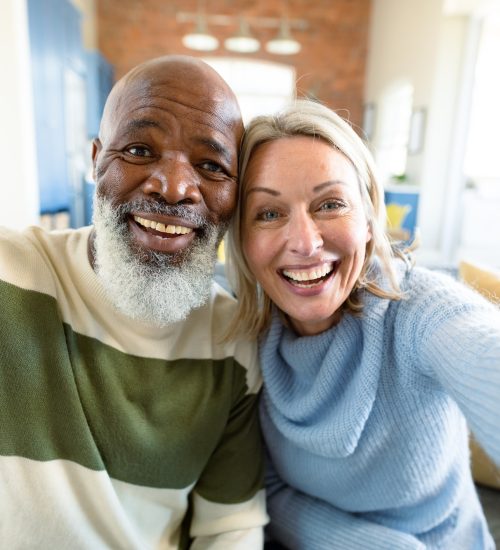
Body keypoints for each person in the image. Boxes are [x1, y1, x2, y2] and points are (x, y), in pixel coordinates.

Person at [0, 55, 268, 548]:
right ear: (97, 159)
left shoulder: (233, 342)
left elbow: (231, 528)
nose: (174, 187)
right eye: (141, 149)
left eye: (210, 166)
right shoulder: (10, 277)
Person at [226, 99, 500, 549]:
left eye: (330, 204)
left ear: (370, 219)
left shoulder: (419, 312)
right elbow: (268, 490)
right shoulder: (243, 337)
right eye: (270, 213)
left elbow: (482, 350)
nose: (305, 243)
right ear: (242, 238)